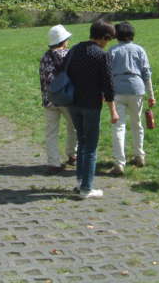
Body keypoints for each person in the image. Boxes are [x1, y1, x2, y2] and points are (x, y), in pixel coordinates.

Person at [66, 19, 119, 199]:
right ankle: (87, 188)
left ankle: (80, 182)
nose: (108, 43)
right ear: (104, 37)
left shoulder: (74, 49)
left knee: (81, 142)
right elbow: (108, 85)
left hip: (73, 102)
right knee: (90, 146)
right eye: (109, 39)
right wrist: (113, 110)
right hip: (91, 105)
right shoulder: (101, 55)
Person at [108, 22, 156, 175]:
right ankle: (139, 155)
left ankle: (119, 162)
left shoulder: (112, 51)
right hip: (136, 89)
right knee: (137, 124)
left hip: (117, 90)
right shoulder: (139, 50)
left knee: (118, 127)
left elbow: (106, 75)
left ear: (116, 35)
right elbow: (146, 73)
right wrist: (151, 95)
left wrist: (105, 93)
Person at [39, 25, 78, 175]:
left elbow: (43, 79)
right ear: (63, 40)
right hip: (67, 99)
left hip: (50, 99)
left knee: (51, 132)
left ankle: (53, 163)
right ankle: (73, 154)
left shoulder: (45, 57)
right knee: (73, 127)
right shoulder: (70, 55)